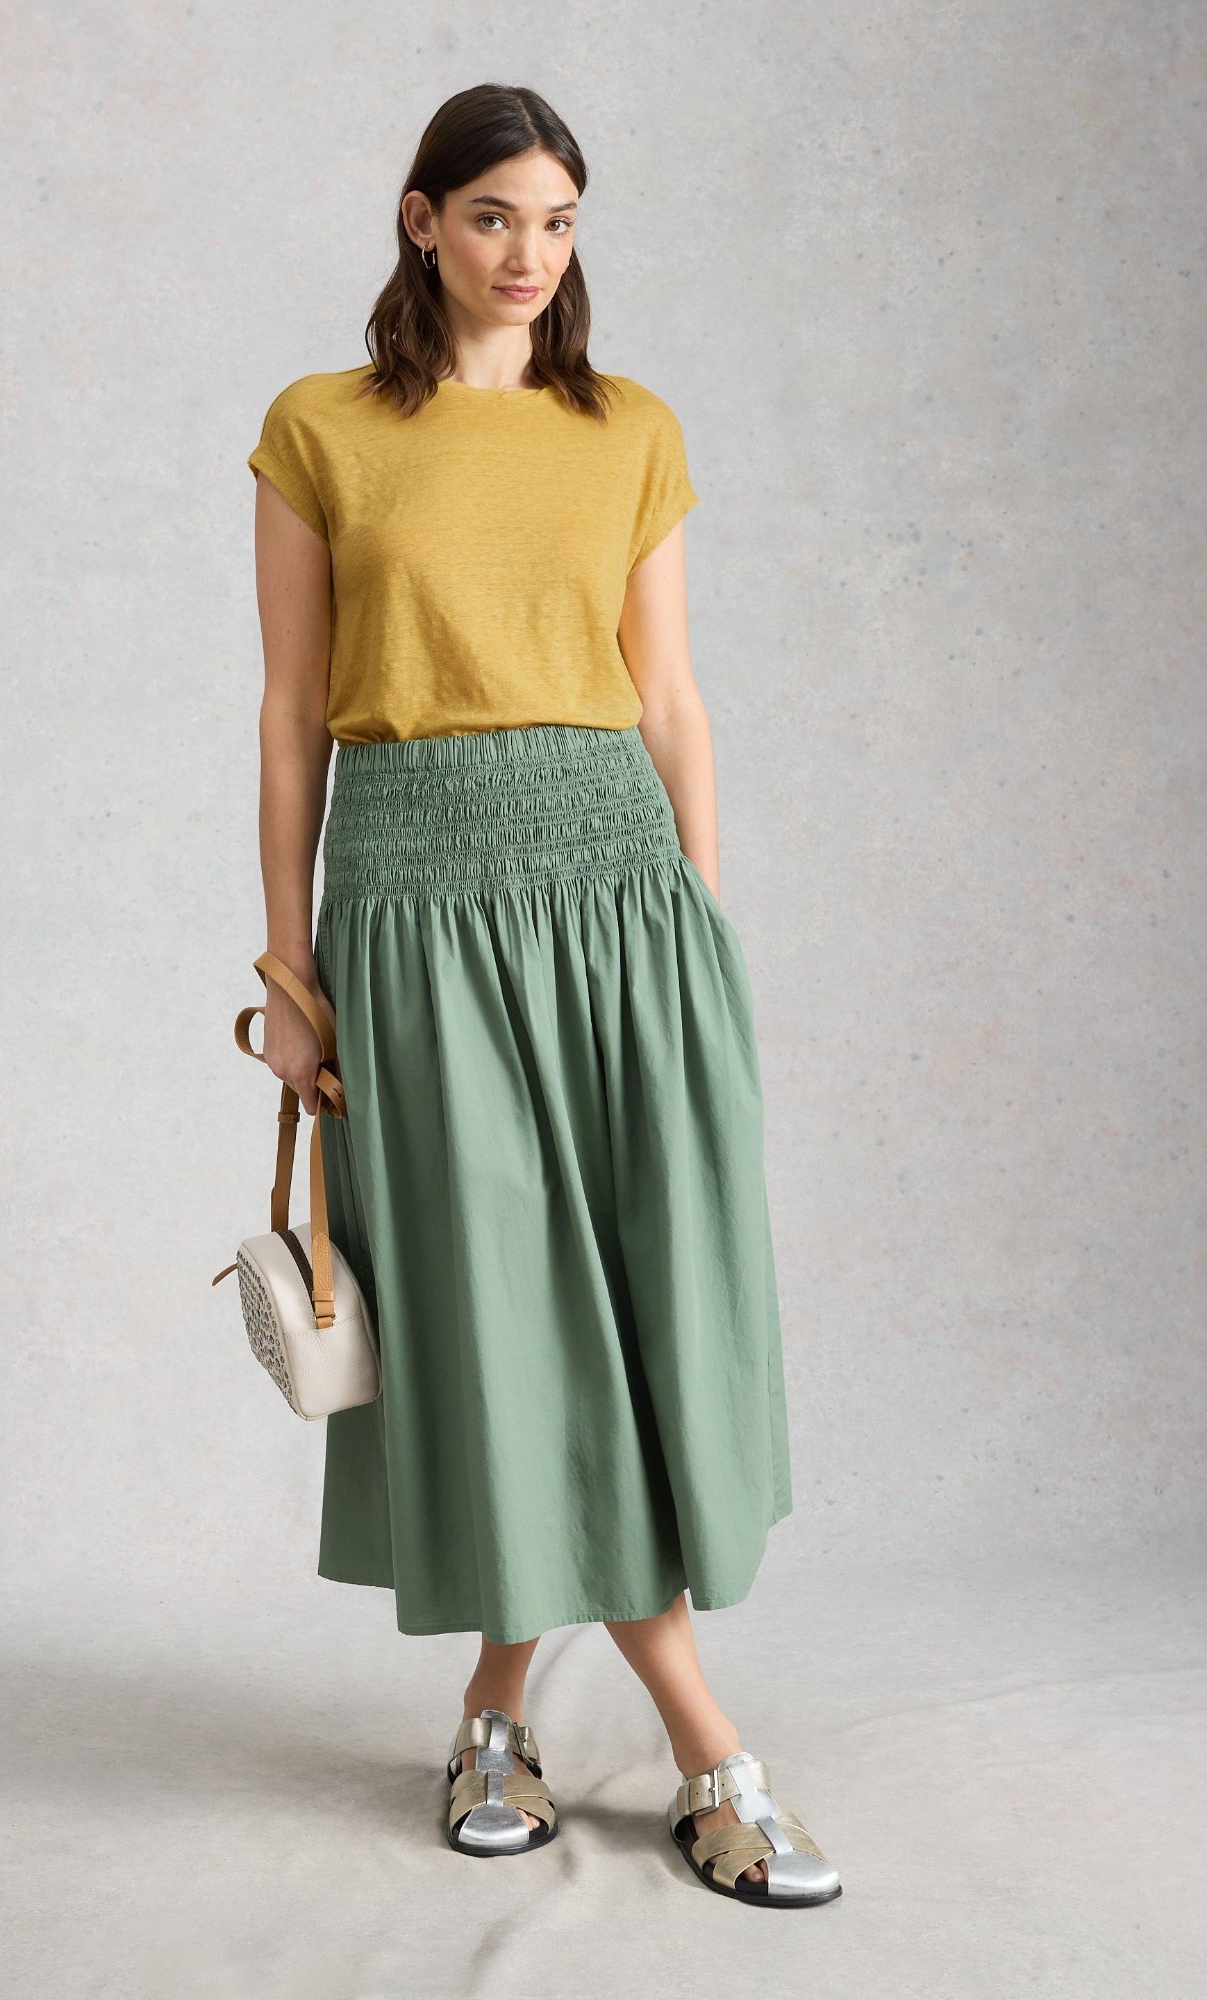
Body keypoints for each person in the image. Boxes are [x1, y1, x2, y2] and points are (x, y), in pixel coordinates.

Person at [244, 82, 842, 1907]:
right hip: (416, 909)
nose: (531, 254)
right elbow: (290, 716)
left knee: (630, 1311)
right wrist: (287, 968)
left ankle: (496, 1714)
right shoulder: (321, 429)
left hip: (621, 903)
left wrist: (704, 926)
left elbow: (670, 699)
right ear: (421, 220)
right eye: (495, 215)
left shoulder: (629, 429)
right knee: (506, 1315)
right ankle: (710, 1749)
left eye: (561, 221)